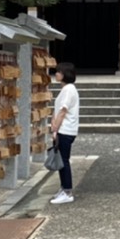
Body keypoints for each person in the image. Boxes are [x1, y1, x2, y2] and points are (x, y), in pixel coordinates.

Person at [48, 62, 79, 204]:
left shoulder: (68, 90)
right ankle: (64, 188)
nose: (57, 74)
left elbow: (63, 111)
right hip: (65, 129)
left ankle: (67, 191)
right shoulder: (67, 89)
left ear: (65, 74)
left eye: (59, 72)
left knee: (64, 161)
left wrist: (55, 128)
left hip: (65, 129)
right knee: (62, 159)